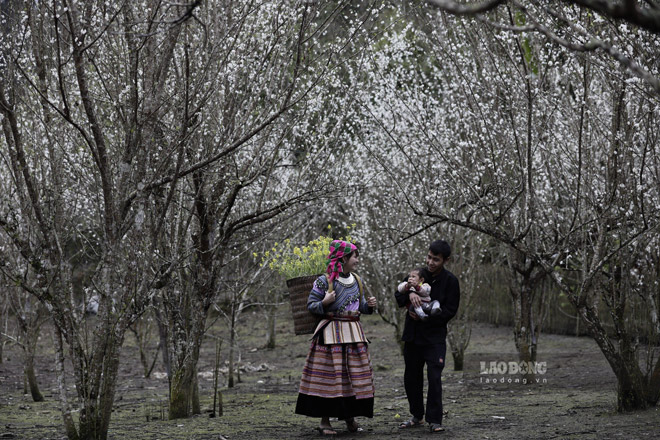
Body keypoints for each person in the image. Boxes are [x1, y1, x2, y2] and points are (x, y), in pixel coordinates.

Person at [295, 239, 378, 436]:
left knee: (353, 377)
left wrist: (369, 306)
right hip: (331, 336)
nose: (357, 260)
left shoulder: (358, 280)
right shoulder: (324, 281)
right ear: (343, 258)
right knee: (330, 378)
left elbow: (361, 306)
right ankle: (325, 422)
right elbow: (311, 305)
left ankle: (350, 418)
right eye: (354, 256)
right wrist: (324, 302)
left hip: (354, 335)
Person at [395, 240, 460, 433]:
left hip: (434, 338)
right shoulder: (417, 274)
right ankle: (417, 416)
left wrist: (427, 317)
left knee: (434, 377)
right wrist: (410, 296)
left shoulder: (451, 281)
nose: (431, 262)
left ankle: (435, 420)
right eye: (429, 257)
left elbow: (450, 311)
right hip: (413, 336)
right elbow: (398, 296)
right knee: (411, 377)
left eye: (436, 259)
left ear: (445, 260)